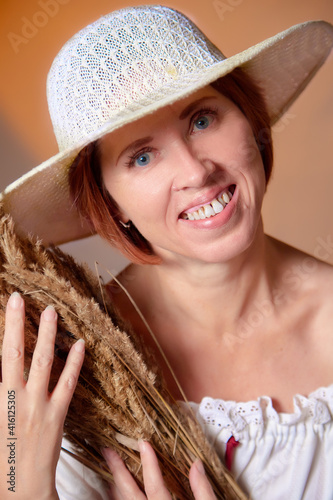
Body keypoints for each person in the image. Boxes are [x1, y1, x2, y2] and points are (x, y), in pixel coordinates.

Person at [1, 4, 333, 499]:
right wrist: (18, 478)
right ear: (109, 203)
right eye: (141, 155)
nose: (197, 172)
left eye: (202, 120)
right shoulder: (72, 363)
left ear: (251, 119)